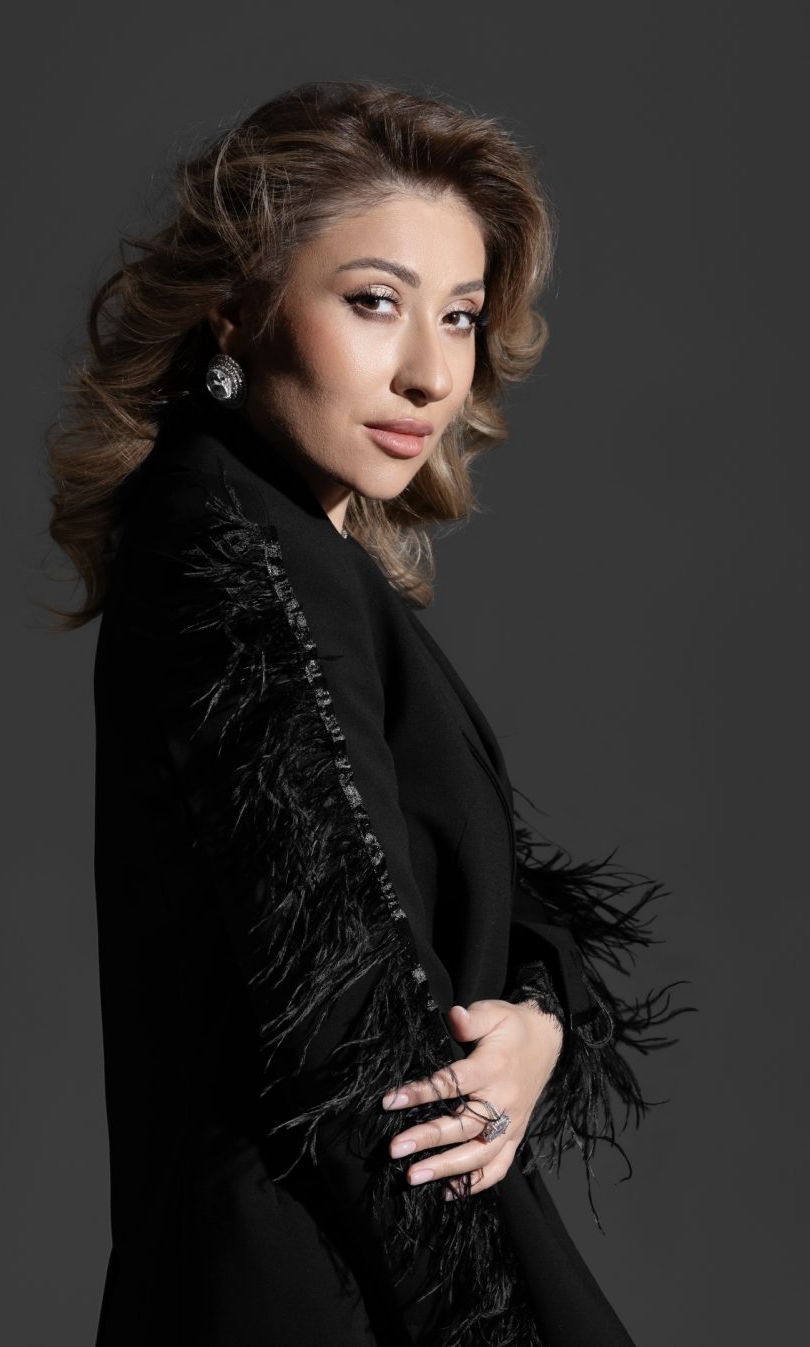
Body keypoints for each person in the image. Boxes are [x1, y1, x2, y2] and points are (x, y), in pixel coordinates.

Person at [45, 79, 683, 1347]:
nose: (431, 373)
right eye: (374, 302)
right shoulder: (242, 561)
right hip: (325, 1281)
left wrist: (537, 1023)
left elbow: (433, 912)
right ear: (236, 304)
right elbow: (353, 1029)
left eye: (460, 315)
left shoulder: (288, 552)